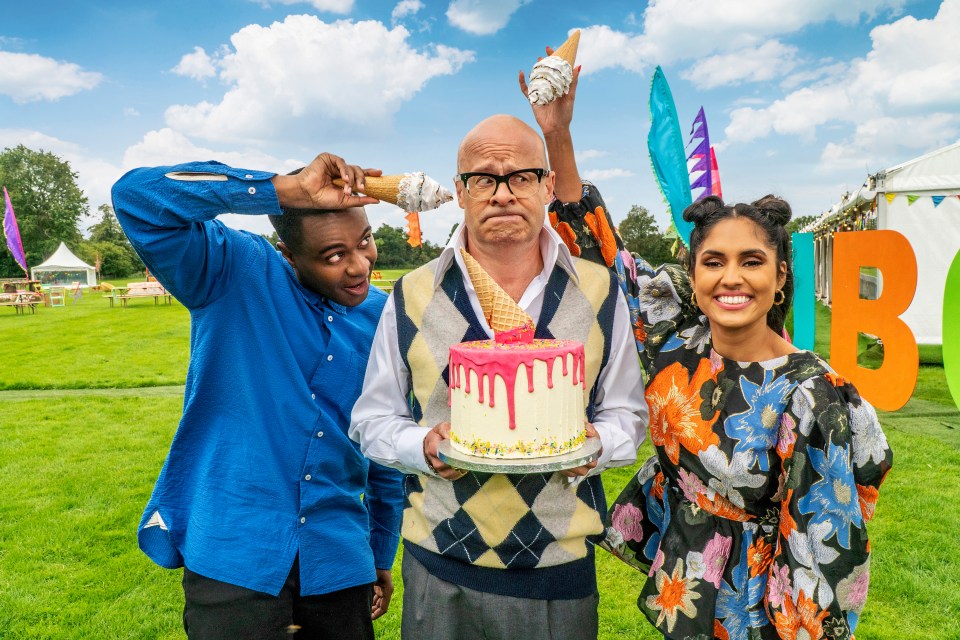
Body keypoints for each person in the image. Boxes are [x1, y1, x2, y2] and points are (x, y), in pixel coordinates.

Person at [349, 63, 648, 640]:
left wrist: (594, 445)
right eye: (483, 178)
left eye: (522, 176)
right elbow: (371, 420)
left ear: (545, 183)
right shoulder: (411, 294)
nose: (503, 193)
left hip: (558, 569)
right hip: (441, 566)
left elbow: (628, 416)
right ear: (459, 192)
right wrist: (423, 444)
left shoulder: (598, 290)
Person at [111, 153, 405, 640]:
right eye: (333, 256)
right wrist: (285, 190)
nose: (359, 266)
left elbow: (384, 442)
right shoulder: (233, 273)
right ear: (288, 255)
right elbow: (137, 198)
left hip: (339, 558)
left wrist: (379, 550)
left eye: (365, 241)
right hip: (234, 552)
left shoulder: (383, 319)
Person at [575, 195, 893, 639]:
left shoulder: (808, 397)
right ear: (693, 274)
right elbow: (609, 261)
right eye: (713, 261)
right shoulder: (679, 343)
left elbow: (821, 546)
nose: (731, 277)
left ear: (780, 274)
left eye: (751, 261)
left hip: (757, 612)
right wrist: (558, 137)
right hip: (691, 589)